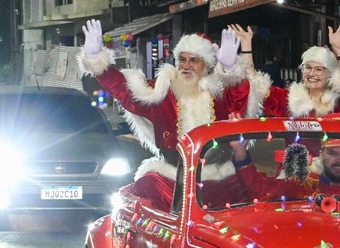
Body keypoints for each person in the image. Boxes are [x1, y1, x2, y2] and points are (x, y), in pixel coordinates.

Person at [78, 19, 266, 185]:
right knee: (144, 190)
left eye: (194, 60)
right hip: (173, 180)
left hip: (221, 179)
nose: (186, 65)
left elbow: (240, 96)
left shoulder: (219, 94)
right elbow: (125, 90)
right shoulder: (162, 93)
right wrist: (96, 59)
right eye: (182, 59)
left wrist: (230, 68)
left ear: (207, 66)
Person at [230, 18, 340, 120]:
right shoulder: (289, 99)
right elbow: (256, 85)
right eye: (308, 68)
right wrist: (246, 46)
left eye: (319, 69)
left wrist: (338, 49)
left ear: (329, 74)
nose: (311, 73)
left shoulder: (338, 102)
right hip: (295, 158)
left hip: (331, 158)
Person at [230, 138, 340, 204]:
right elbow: (261, 191)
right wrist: (241, 153)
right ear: (321, 155)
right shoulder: (303, 184)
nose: (339, 160)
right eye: (332, 153)